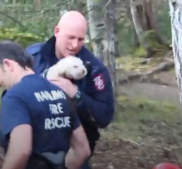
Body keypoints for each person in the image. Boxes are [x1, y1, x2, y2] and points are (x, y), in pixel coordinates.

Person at [0, 40, 90, 169]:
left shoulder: (15, 96)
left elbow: (21, 151)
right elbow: (82, 149)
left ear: (8, 65)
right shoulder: (59, 92)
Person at [26, 11, 115, 168]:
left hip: (74, 152)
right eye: (70, 37)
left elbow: (105, 116)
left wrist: (76, 94)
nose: (75, 45)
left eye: (80, 39)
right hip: (35, 146)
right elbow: (12, 95)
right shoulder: (33, 57)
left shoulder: (94, 69)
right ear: (57, 31)